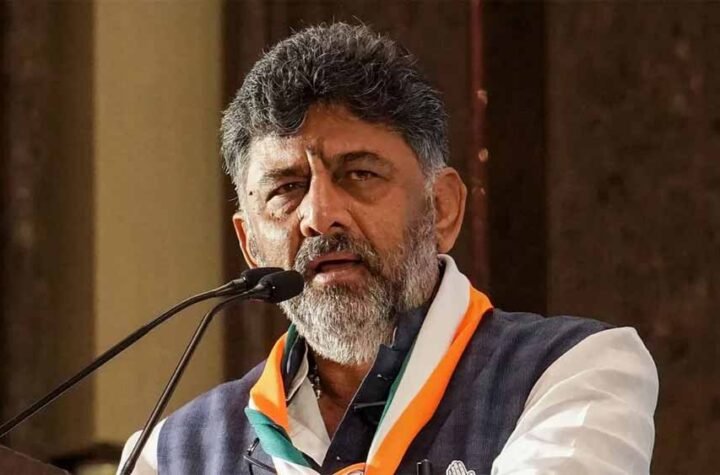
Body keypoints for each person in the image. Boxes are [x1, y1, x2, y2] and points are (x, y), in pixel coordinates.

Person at [119, 23, 658, 475]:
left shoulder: (573, 372)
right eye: (286, 188)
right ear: (250, 244)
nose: (318, 215)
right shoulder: (169, 454)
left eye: (358, 173)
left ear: (442, 208)